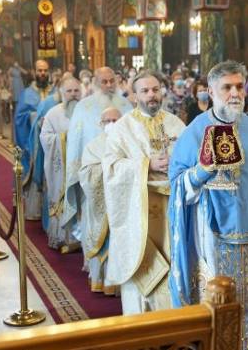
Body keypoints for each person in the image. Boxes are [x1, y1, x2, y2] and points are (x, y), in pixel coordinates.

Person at [168, 60, 248, 350]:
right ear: (211, 91)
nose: (234, 93)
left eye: (239, 87)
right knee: (221, 306)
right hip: (214, 236)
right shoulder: (195, 131)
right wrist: (201, 172)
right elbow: (177, 185)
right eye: (226, 87)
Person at [102, 71, 185, 315]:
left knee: (174, 267)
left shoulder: (176, 124)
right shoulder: (122, 128)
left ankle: (175, 321)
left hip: (173, 209)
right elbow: (111, 168)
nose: (151, 95)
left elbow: (192, 157)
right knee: (144, 273)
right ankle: (141, 323)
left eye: (155, 89)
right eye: (145, 91)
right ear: (134, 96)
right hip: (140, 211)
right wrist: (147, 165)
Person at [63, 67, 132, 255]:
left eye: (112, 81)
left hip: (122, 174)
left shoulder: (126, 105)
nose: (109, 85)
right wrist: (76, 172)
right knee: (93, 217)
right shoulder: (83, 107)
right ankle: (94, 263)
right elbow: (75, 142)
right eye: (104, 81)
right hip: (93, 174)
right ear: (95, 83)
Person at [78, 108, 122, 295]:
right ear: (101, 124)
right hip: (99, 205)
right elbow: (86, 174)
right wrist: (112, 169)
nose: (112, 124)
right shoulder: (93, 146)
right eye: (107, 120)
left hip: (123, 204)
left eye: (116, 120)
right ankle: (102, 280)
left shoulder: (129, 144)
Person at [39, 77, 81, 251]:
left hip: (82, 166)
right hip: (62, 168)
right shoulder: (53, 113)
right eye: (69, 91)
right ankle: (64, 238)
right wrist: (64, 139)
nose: (73, 95)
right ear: (62, 94)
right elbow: (45, 137)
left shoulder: (87, 111)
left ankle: (82, 238)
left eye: (76, 91)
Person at [14, 59, 52, 220]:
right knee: (36, 172)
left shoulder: (55, 92)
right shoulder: (27, 93)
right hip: (33, 142)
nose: (42, 73)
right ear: (34, 72)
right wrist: (34, 118)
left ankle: (51, 210)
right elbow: (19, 119)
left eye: (45, 70)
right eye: (39, 70)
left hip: (51, 142)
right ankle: (35, 209)